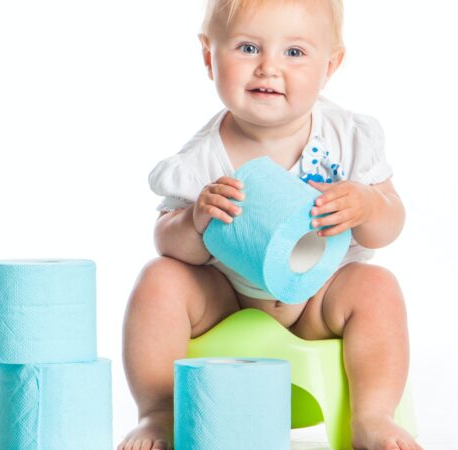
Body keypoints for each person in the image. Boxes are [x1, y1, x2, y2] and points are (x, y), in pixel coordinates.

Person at [118, 1, 422, 449]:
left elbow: (389, 226)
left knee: (377, 286)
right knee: (158, 279)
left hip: (322, 297)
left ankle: (372, 415)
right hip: (227, 299)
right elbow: (167, 241)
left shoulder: (346, 136)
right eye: (247, 48)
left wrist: (368, 206)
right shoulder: (201, 159)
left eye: (295, 53)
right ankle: (160, 412)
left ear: (330, 65)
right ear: (208, 57)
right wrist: (195, 219)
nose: (268, 68)